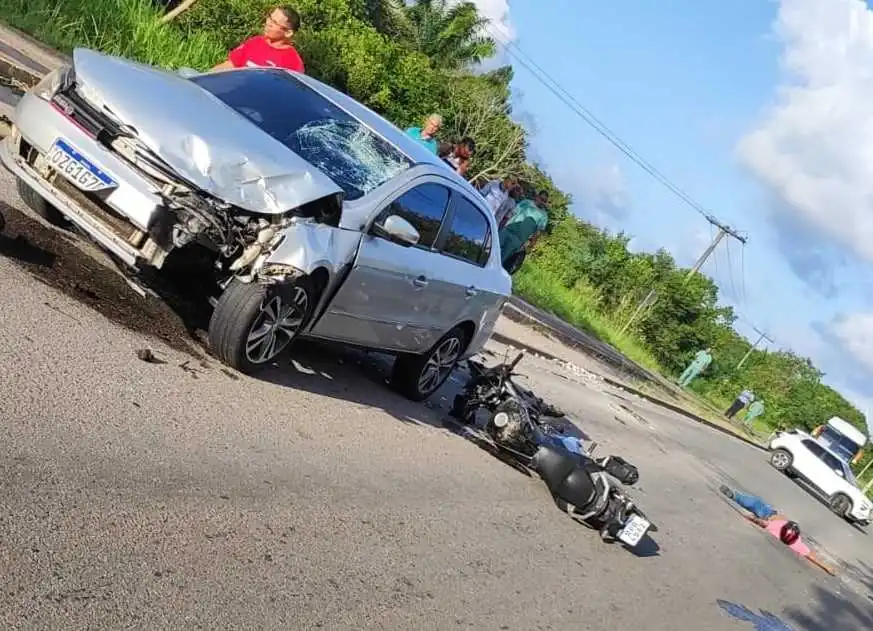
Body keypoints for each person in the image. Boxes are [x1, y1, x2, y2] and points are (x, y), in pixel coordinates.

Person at [719, 485, 837, 575]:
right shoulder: (794, 543)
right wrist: (826, 567)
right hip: (766, 516)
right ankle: (736, 497)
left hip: (767, 513)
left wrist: (752, 519)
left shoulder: (780, 528)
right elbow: (811, 556)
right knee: (752, 505)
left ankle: (736, 496)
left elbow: (762, 523)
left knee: (755, 502)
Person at [212, 6, 305, 73]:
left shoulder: (292, 62)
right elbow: (231, 65)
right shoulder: (255, 42)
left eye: (274, 22)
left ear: (288, 33)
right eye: (270, 18)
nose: (268, 23)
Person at [498, 189, 549, 273]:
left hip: (518, 240)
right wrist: (502, 225)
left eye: (545, 201)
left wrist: (530, 246)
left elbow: (538, 232)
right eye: (541, 199)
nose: (542, 202)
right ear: (537, 197)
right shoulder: (526, 203)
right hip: (507, 230)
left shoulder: (544, 215)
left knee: (501, 260)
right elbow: (512, 213)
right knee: (491, 250)